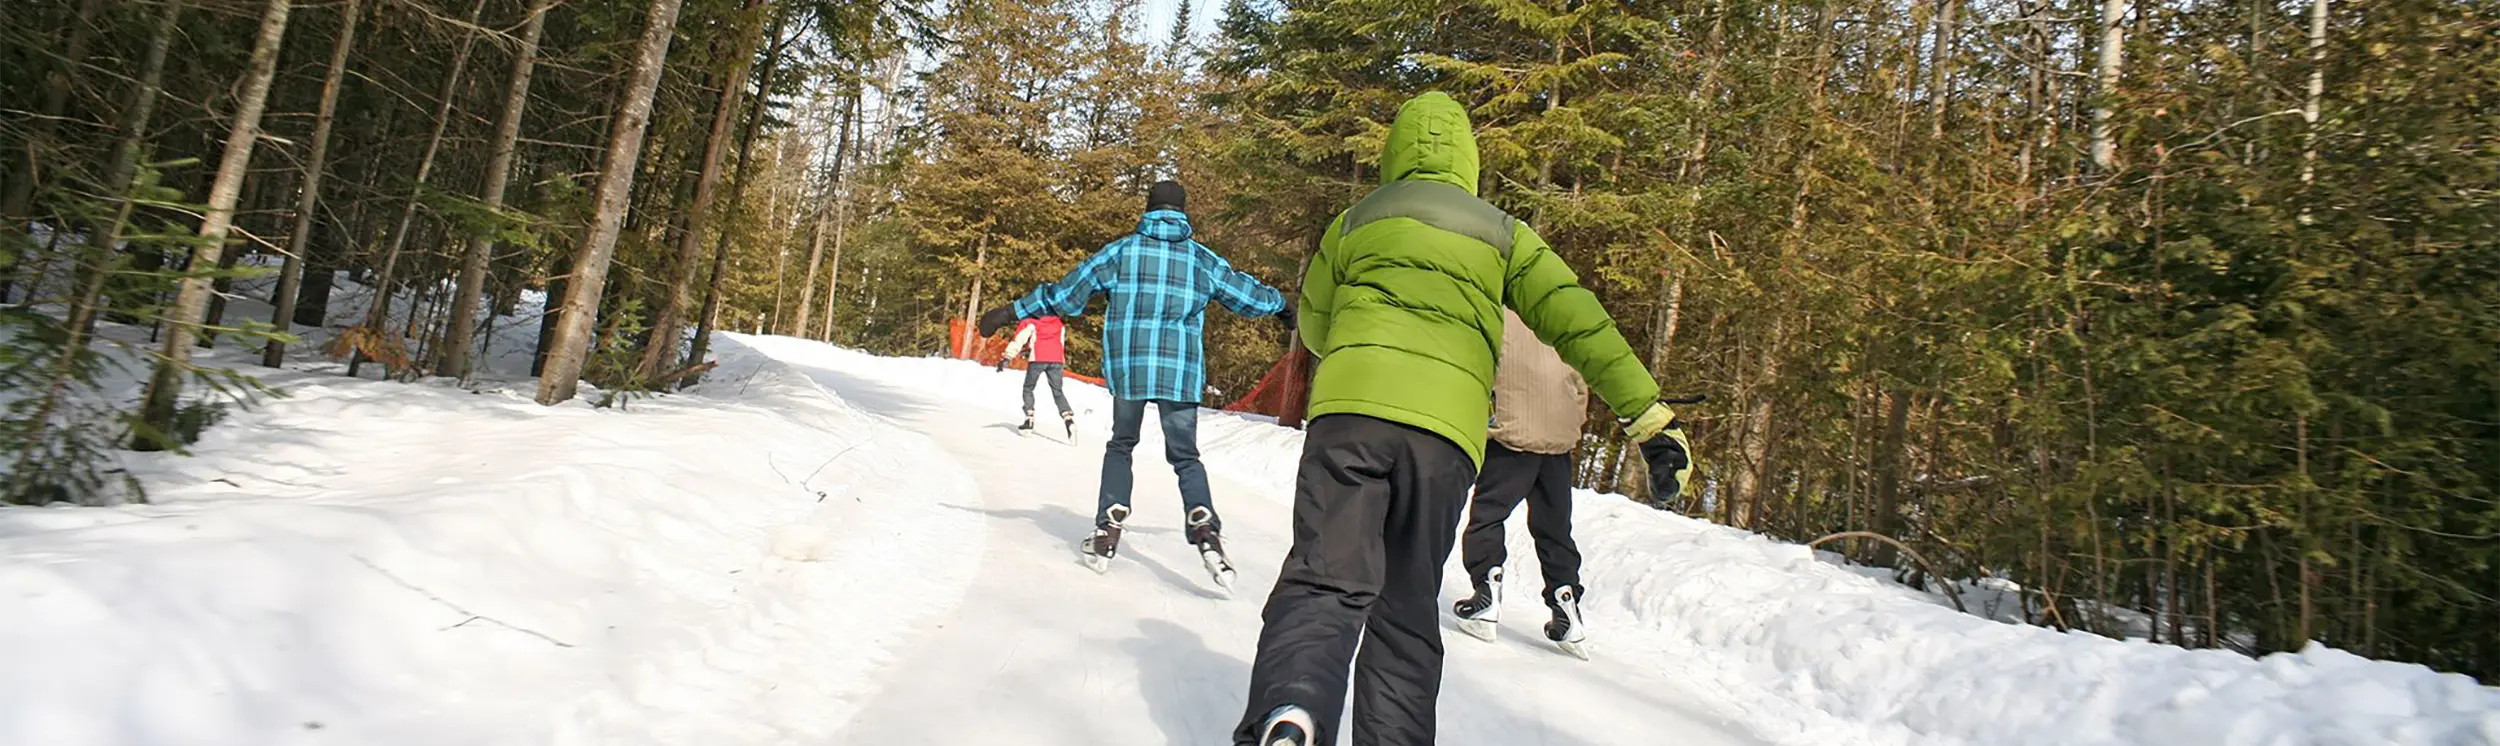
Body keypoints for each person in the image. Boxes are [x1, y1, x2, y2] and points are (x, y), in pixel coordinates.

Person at [1232, 92, 1696, 746]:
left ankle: (1293, 710)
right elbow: (1580, 321)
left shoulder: (1356, 221)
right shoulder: (1504, 232)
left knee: (1323, 582)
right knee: (1405, 607)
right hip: (1442, 439)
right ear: (1470, 160)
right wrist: (1647, 417)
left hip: (1350, 422)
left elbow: (1313, 325)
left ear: (1395, 152)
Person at [977, 179, 1293, 590]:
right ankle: (1203, 522)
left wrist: (1011, 311)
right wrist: (1282, 306)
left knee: (1122, 445)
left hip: (1130, 370)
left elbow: (1068, 293)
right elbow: (1244, 293)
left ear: (1148, 209)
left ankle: (1109, 524)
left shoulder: (1122, 251)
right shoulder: (1200, 259)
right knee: (1185, 457)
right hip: (1179, 374)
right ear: (1182, 213)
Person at [1449, 309, 1594, 659]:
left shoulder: (1493, 312)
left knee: (1489, 514)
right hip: (1557, 441)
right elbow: (1579, 381)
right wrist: (1571, 422)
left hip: (1512, 437)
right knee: (1555, 528)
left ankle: (1486, 592)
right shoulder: (1558, 317)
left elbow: (1476, 364)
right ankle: (1567, 607)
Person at [996, 314, 1076, 439]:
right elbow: (1060, 342)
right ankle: (1068, 419)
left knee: (1028, 388)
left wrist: (1007, 357)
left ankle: (1029, 420)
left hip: (1038, 357)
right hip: (1057, 359)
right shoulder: (1058, 323)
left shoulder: (1032, 321)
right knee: (1057, 391)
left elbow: (1019, 339)